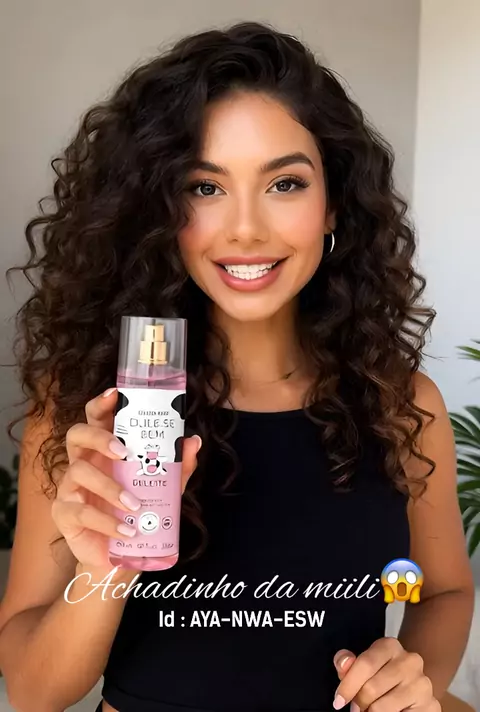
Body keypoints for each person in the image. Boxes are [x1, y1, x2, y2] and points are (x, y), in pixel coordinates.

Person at [0, 20, 474, 712]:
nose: (246, 228)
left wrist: (411, 676)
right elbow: (34, 691)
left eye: (285, 183)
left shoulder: (400, 403)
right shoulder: (89, 408)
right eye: (204, 187)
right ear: (158, 209)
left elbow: (446, 591)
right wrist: (105, 569)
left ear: (334, 204)